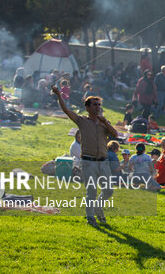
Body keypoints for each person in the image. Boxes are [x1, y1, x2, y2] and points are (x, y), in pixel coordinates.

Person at [52, 85, 117, 226]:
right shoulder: (82, 121)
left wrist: (105, 121)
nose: (98, 107)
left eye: (99, 104)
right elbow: (66, 110)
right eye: (95, 104)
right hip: (88, 162)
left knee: (108, 190)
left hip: (103, 161)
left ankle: (98, 207)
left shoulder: (104, 123)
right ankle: (90, 217)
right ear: (87, 107)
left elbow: (115, 134)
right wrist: (59, 95)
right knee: (91, 191)